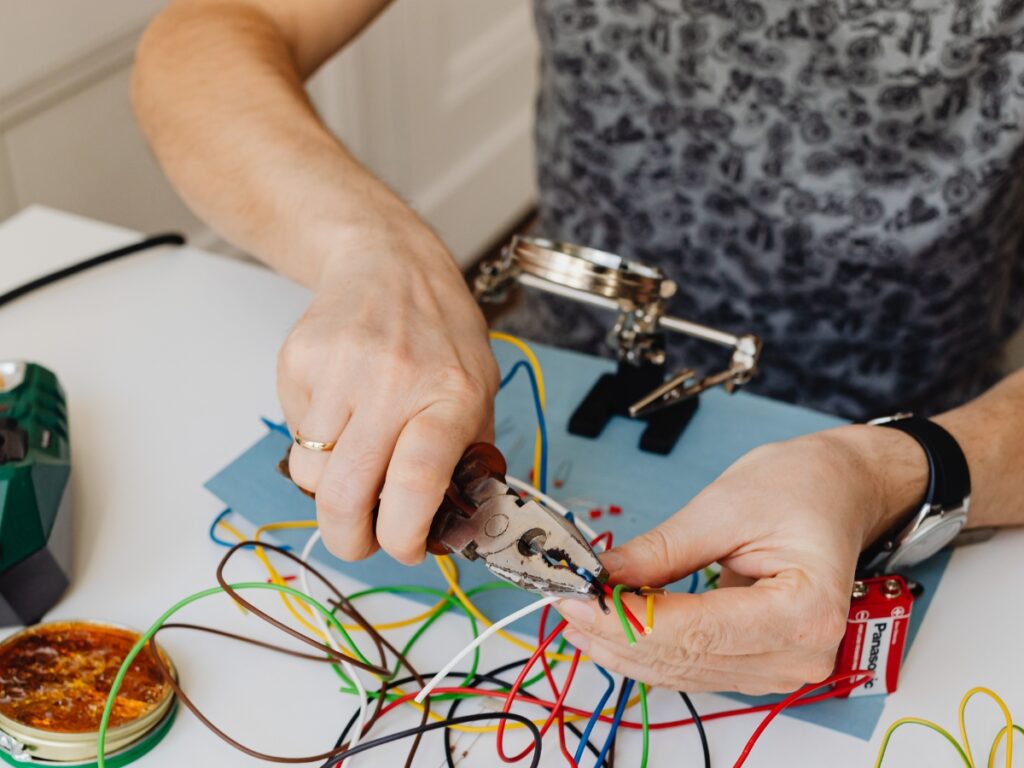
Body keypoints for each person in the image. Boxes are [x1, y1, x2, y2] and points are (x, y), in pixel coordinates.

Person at [133, 0, 1024, 695]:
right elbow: (205, 37)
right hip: (555, 378)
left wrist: (902, 470)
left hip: (933, 436)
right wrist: (375, 252)